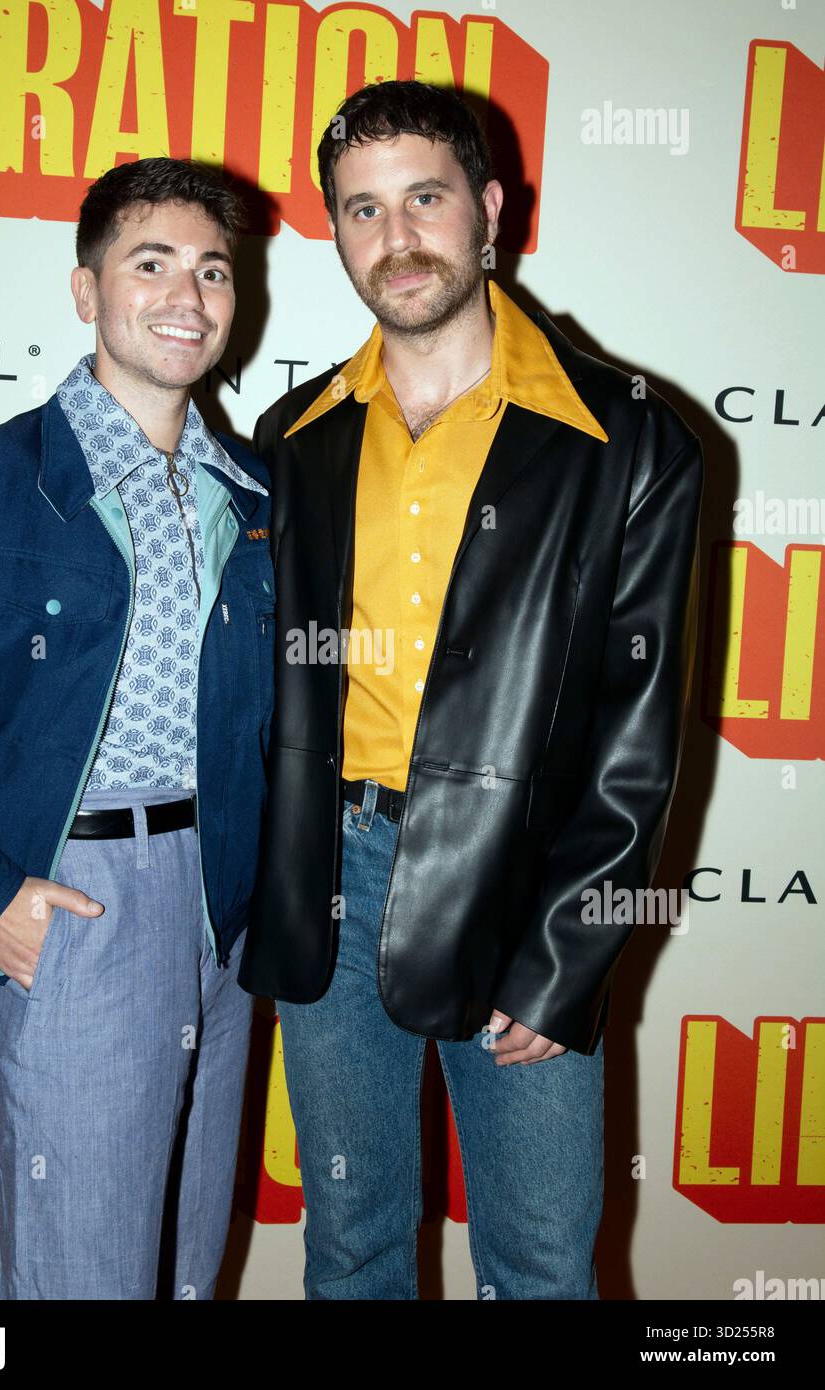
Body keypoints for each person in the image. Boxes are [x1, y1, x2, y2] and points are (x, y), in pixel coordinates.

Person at [239, 80, 703, 1300]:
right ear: (334, 233)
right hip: (324, 888)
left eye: (425, 198)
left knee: (542, 1266)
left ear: (489, 208)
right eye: (361, 211)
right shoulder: (293, 435)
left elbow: (634, 737)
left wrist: (566, 953)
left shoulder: (631, 439)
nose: (395, 239)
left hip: (524, 888)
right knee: (349, 1249)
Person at [0, 157, 274, 1299]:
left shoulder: (255, 496)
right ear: (86, 291)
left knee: (189, 1262)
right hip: (76, 899)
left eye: (213, 271)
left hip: (223, 910)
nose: (187, 296)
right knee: (81, 1271)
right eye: (151, 264)